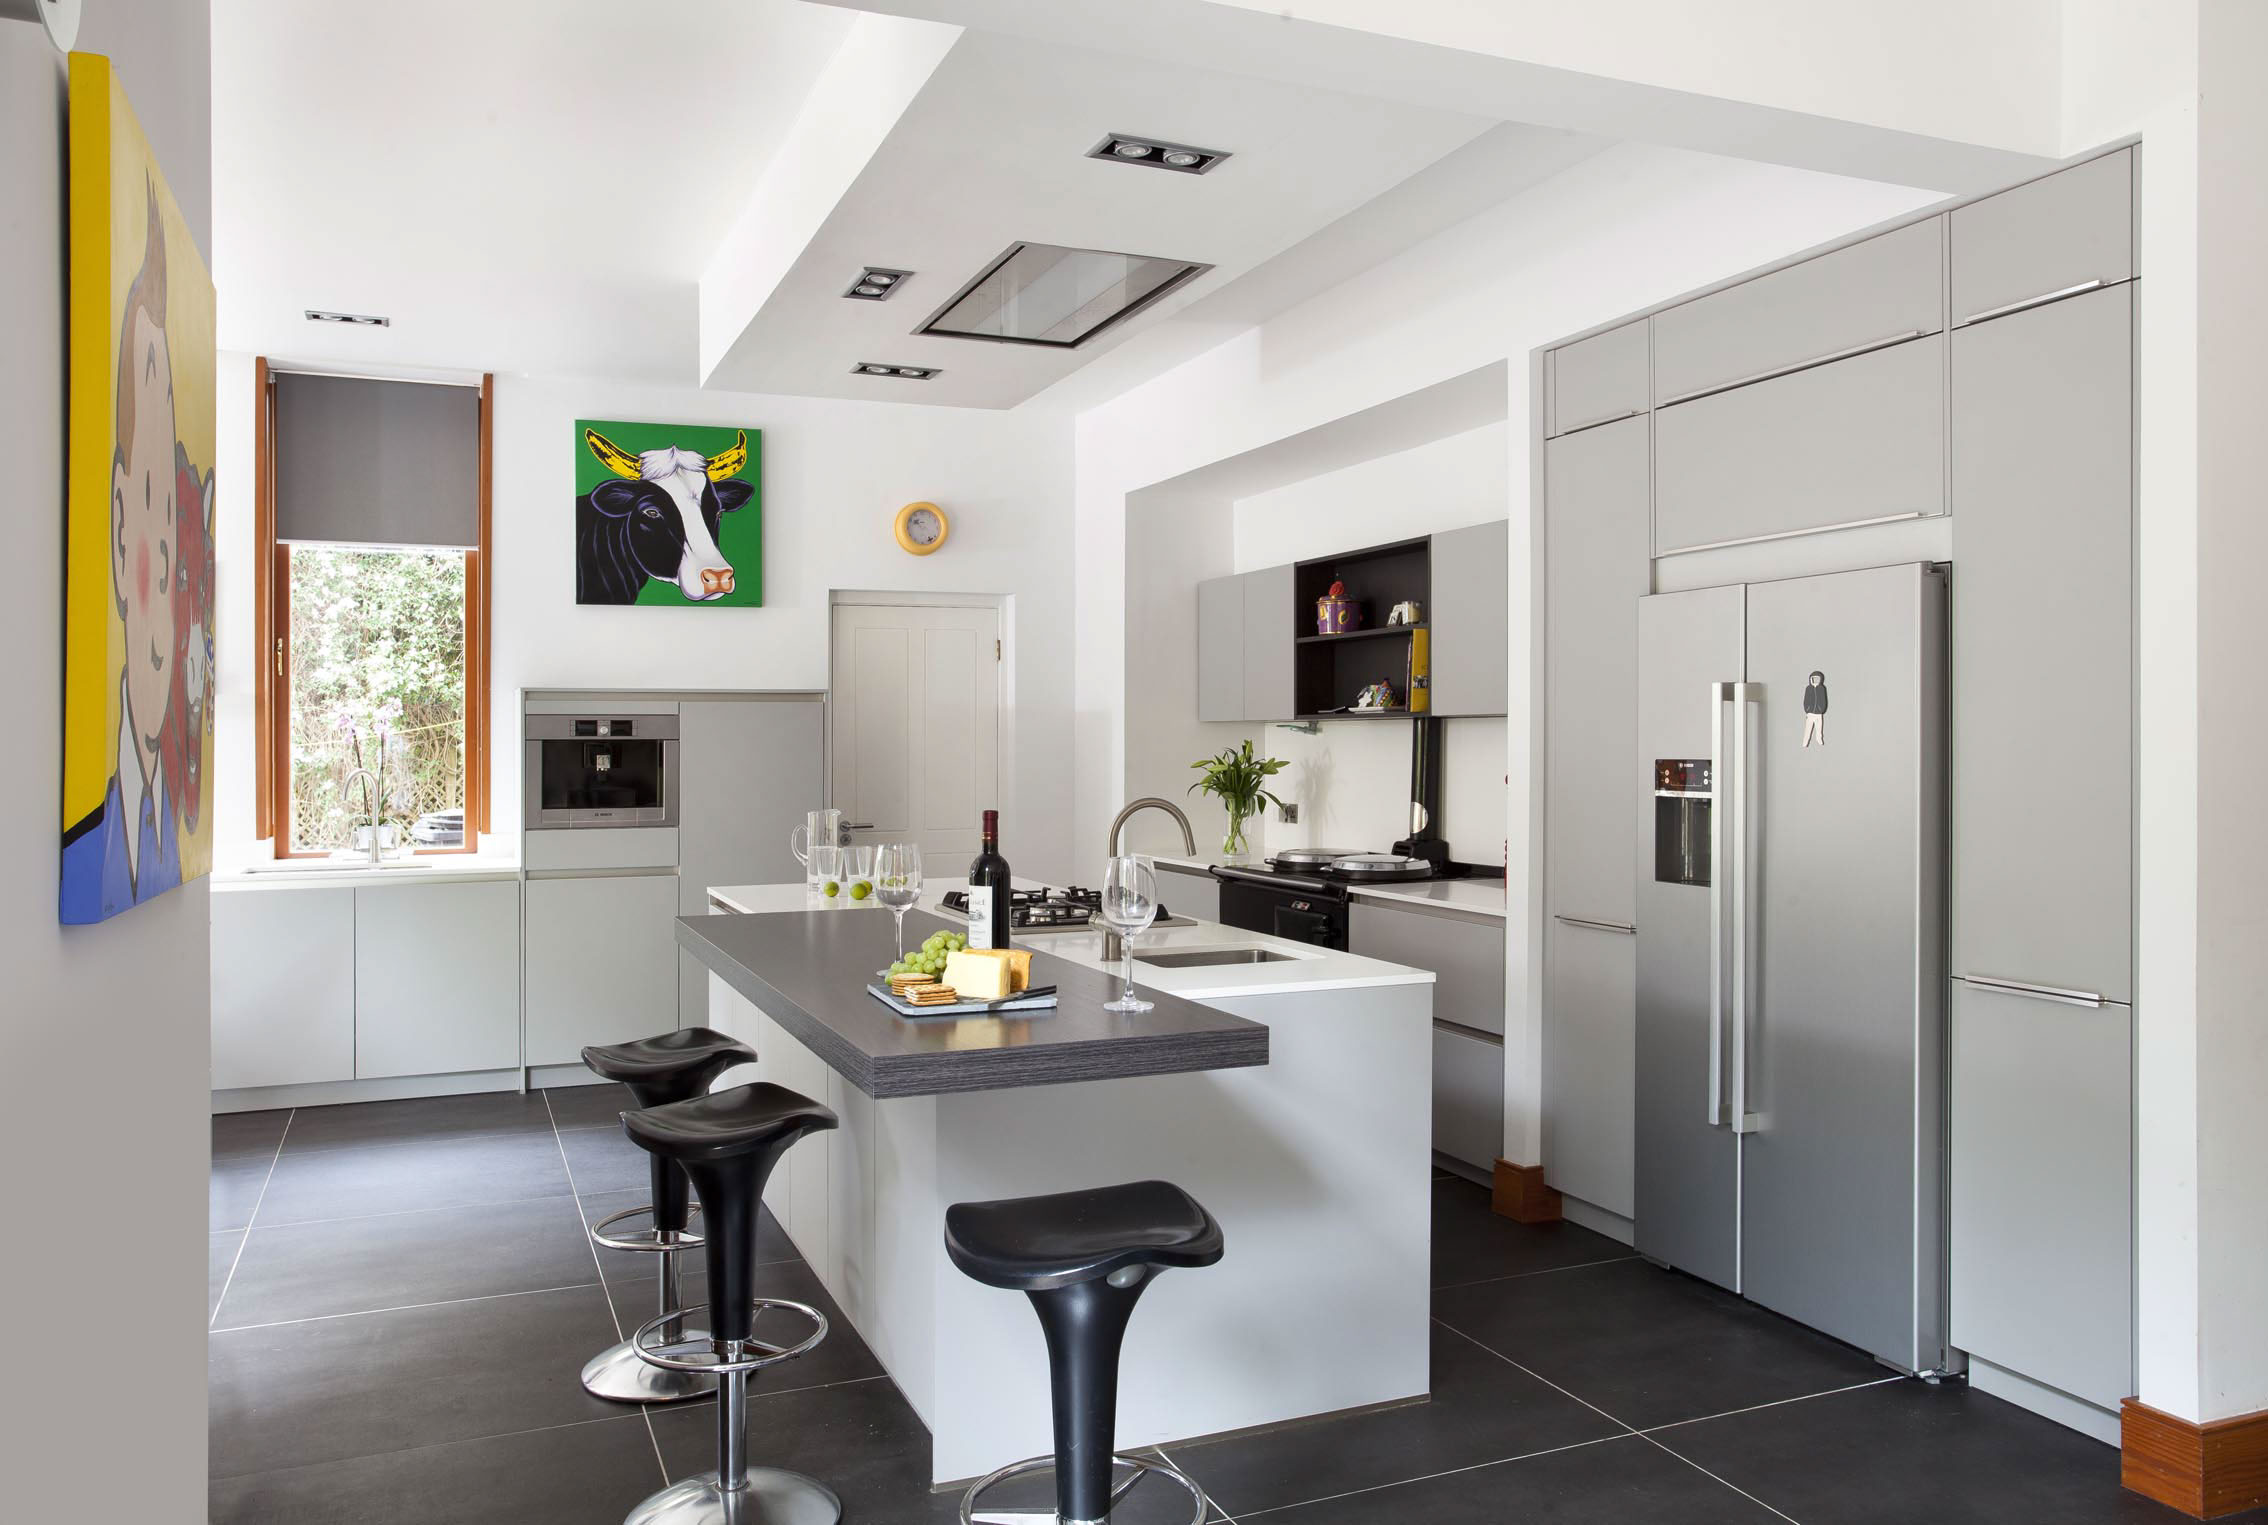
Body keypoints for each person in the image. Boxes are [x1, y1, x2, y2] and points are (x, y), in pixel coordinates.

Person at [61, 183, 211, 922]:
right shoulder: (95, 843)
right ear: (118, 529)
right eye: (148, 507)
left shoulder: (167, 837)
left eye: (175, 526)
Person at [1802, 670, 1829, 748]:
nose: (1815, 680)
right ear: (1811, 679)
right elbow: (1805, 700)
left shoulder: (1822, 688)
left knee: (1819, 729)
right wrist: (1807, 709)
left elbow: (1824, 700)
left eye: (1817, 678)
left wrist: (1821, 709)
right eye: (1813, 678)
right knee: (1808, 729)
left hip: (1818, 714)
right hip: (1810, 713)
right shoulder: (1808, 688)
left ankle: (1819, 739)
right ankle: (1805, 742)